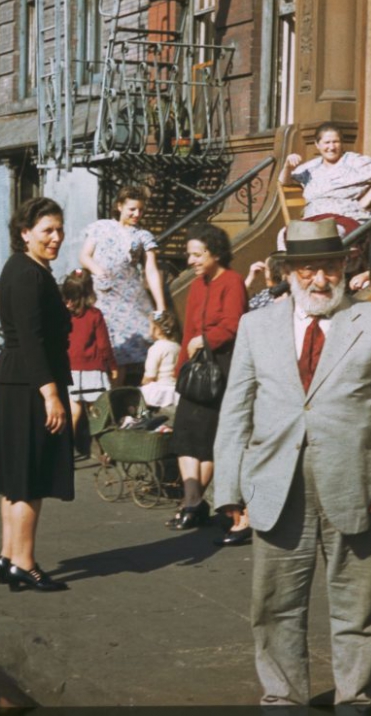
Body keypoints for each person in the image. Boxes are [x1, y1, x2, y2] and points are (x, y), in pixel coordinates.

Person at [213, 218, 371, 707]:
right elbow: (235, 413)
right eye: (307, 270)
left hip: (358, 486)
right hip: (275, 486)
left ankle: (357, 696)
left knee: (360, 602)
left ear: (344, 266)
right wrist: (229, 489)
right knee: (275, 602)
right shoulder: (255, 326)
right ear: (287, 273)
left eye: (328, 267)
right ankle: (282, 696)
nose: (319, 281)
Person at [0, 197, 76, 593]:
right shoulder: (27, 275)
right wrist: (51, 394)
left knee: (15, 478)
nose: (56, 238)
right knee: (30, 479)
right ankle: (24, 562)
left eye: (58, 230)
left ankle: (8, 556)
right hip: (31, 386)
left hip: (19, 383)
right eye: (47, 231)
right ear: (25, 234)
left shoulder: (28, 270)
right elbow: (33, 341)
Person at [166, 222, 248, 543]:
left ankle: (191, 506)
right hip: (196, 367)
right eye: (190, 255)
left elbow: (233, 324)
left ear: (215, 253)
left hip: (221, 367)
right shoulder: (198, 285)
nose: (191, 261)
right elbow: (188, 331)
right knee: (185, 434)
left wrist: (205, 340)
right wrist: (180, 368)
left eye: (197, 255)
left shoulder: (233, 282)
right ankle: (192, 500)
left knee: (208, 438)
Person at [79, 185, 167, 386]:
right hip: (103, 297)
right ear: (119, 206)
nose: (137, 214)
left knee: (130, 350)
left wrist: (161, 306)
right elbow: (85, 256)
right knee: (105, 346)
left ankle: (121, 402)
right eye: (132, 209)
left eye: (140, 210)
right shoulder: (101, 227)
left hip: (130, 300)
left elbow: (151, 270)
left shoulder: (143, 235)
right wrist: (99, 270)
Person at [278, 121, 371, 224]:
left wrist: (366, 201)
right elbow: (284, 182)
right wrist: (287, 166)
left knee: (328, 236)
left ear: (341, 143)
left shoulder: (354, 161)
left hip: (344, 218)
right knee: (283, 236)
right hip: (312, 221)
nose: (332, 147)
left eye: (335, 142)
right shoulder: (311, 167)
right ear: (317, 145)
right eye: (327, 142)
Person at [61, 268, 118, 453]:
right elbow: (103, 345)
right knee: (97, 412)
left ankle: (65, 450)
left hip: (70, 369)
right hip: (93, 371)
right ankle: (104, 449)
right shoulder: (95, 315)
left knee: (74, 411)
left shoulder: (63, 315)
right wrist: (112, 366)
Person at [139, 310, 181, 410]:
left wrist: (142, 383)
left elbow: (150, 375)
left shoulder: (156, 348)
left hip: (160, 391)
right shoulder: (177, 346)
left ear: (157, 330)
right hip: (175, 390)